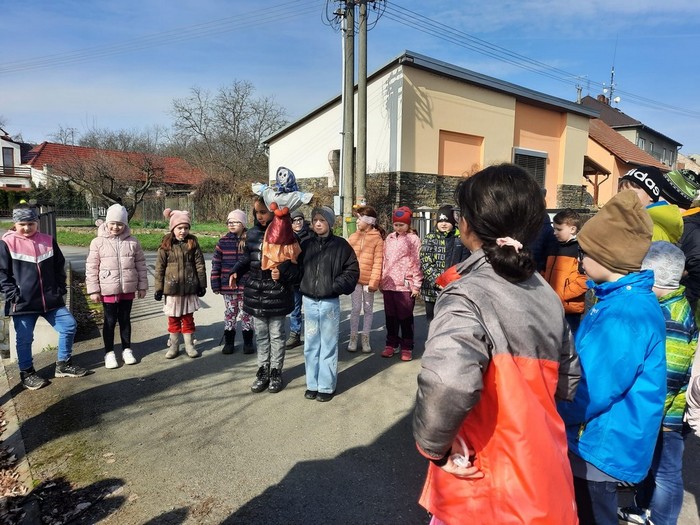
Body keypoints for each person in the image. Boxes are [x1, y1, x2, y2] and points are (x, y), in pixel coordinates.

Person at [412, 163, 581, 525]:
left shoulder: (467, 293)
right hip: (545, 471)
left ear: (467, 224)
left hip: (484, 479)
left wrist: (433, 446)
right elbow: (569, 379)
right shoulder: (544, 291)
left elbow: (448, 382)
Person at [557, 190, 667, 525]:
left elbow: (592, 389)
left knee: (591, 514)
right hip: (603, 438)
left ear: (605, 256)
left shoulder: (623, 315)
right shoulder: (623, 301)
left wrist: (553, 414)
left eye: (583, 253)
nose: (580, 260)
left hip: (597, 444)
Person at [617, 242, 698, 525]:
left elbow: (670, 374)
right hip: (659, 411)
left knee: (666, 473)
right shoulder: (665, 306)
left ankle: (663, 520)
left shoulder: (671, 317)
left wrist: (648, 414)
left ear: (654, 278)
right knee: (653, 465)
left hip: (667, 415)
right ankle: (643, 507)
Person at [0, 204, 89, 389]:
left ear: (37, 223)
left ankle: (63, 364)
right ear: (15, 223)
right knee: (24, 338)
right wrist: (12, 293)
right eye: (22, 224)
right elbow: (1, 273)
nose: (27, 228)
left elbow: (59, 266)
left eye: (31, 223)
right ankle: (27, 373)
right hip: (23, 302)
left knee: (69, 325)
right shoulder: (7, 243)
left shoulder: (48, 240)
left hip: (50, 299)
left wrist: (60, 288)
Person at [230, 196, 301, 394]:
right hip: (256, 293)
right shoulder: (252, 234)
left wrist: (283, 273)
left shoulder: (287, 234)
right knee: (261, 336)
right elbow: (247, 258)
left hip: (277, 293)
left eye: (263, 212)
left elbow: (296, 266)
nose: (260, 216)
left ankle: (276, 371)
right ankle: (263, 371)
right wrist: (236, 271)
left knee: (277, 335)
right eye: (257, 213)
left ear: (273, 210)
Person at [297, 206, 359, 402]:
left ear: (330, 223)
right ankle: (312, 384)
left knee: (328, 344)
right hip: (309, 301)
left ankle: (326, 386)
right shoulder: (306, 245)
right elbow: (296, 268)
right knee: (311, 344)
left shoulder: (341, 246)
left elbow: (352, 270)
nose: (318, 223)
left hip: (329, 303)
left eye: (322, 220)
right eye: (315, 220)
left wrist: (335, 286)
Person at [85, 204, 148, 369]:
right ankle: (109, 352)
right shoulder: (97, 242)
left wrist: (142, 286)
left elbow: (141, 265)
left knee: (125, 319)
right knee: (110, 321)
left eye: (120, 224)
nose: (115, 227)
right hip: (108, 289)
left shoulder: (133, 242)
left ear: (125, 224)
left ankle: (127, 349)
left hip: (127, 288)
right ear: (107, 223)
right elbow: (91, 267)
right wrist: (94, 290)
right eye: (112, 223)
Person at [154, 209, 207, 359]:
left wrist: (202, 285)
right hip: (172, 289)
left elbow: (200, 265)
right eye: (179, 228)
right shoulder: (166, 245)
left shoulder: (192, 243)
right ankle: (174, 346)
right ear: (173, 228)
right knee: (173, 319)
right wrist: (159, 288)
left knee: (188, 318)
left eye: (186, 228)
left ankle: (189, 345)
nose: (183, 231)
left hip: (189, 288)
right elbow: (159, 268)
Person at [380, 206, 423, 361]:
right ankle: (391, 343)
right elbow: (384, 260)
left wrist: (416, 284)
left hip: (405, 285)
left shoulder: (413, 239)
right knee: (390, 317)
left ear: (408, 224)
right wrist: (381, 279)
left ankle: (407, 346)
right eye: (396, 224)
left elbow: (417, 262)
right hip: (389, 283)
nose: (398, 227)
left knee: (405, 318)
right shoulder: (389, 238)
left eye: (401, 224)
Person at [252, 166, 313, 271]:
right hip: (275, 228)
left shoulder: (292, 196)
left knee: (284, 239)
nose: (259, 216)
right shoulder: (273, 194)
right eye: (280, 175)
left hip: (284, 228)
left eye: (285, 175)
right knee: (275, 238)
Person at [210, 209, 254, 354]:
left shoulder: (249, 241)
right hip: (228, 287)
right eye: (229, 222)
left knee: (246, 314)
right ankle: (229, 342)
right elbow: (216, 264)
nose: (232, 224)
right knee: (230, 313)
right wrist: (215, 283)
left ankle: (248, 342)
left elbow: (254, 263)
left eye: (236, 222)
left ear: (243, 224)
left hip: (246, 286)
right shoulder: (223, 242)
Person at [419, 205, 469, 324]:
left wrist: (455, 280)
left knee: (450, 321)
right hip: (432, 289)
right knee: (433, 321)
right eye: (441, 221)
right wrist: (438, 281)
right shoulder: (430, 238)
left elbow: (465, 261)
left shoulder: (460, 238)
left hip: (453, 286)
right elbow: (426, 261)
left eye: (447, 221)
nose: (443, 224)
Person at [544, 208, 588, 336]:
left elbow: (584, 279)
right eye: (554, 229)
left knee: (569, 339)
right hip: (551, 305)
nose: (555, 233)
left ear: (572, 229)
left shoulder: (580, 249)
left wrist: (561, 295)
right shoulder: (553, 246)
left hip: (569, 310)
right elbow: (545, 270)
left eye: (559, 229)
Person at [347, 205, 384, 353]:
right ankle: (353, 337)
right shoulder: (353, 237)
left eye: (359, 219)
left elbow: (378, 262)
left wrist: (374, 282)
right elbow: (347, 260)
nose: (357, 222)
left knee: (368, 309)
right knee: (355, 309)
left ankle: (365, 338)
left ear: (369, 221)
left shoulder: (377, 239)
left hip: (369, 282)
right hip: (355, 280)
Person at [618, 165, 683, 243]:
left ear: (651, 195)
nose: (624, 197)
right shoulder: (637, 221)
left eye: (632, 193)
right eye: (621, 193)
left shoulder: (650, 231)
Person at [286, 210, 311, 349]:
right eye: (294, 220)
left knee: (310, 309)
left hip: (308, 278)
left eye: (300, 219)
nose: (298, 222)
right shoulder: (287, 236)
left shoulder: (311, 236)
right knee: (295, 309)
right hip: (294, 279)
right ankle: (295, 334)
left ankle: (310, 334)